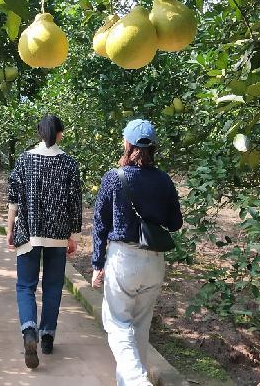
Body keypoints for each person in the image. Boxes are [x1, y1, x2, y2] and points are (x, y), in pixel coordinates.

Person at [91, 119, 183, 386]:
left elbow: (100, 223)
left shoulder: (113, 177)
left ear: (127, 143)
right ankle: (132, 380)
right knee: (140, 326)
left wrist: (97, 263)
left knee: (118, 324)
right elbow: (175, 223)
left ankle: (136, 381)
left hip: (123, 260)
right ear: (153, 147)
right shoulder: (164, 180)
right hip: (154, 262)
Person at [7, 114, 82, 369]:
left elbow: (13, 201)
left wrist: (10, 230)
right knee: (52, 286)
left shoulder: (24, 160)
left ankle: (30, 331)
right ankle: (48, 336)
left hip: (29, 233)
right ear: (59, 134)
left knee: (25, 286)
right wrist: (72, 235)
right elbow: (74, 203)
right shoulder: (70, 164)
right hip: (58, 235)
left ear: (40, 133)